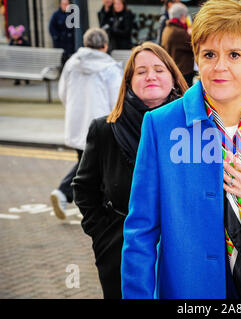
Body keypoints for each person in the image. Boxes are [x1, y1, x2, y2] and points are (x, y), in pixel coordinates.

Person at [121, 0, 241, 299]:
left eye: (235, 55)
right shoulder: (160, 126)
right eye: (209, 54)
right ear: (197, 58)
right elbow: (140, 234)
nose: (220, 66)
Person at [72, 42, 188, 299]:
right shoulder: (105, 129)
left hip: (182, 249)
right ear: (129, 81)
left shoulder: (194, 130)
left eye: (159, 69)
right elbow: (83, 188)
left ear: (173, 78)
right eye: (141, 71)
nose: (151, 76)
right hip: (121, 249)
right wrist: (102, 236)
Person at [50, 28, 123, 221]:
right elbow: (117, 99)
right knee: (91, 168)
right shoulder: (110, 67)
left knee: (87, 166)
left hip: (77, 122)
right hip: (101, 126)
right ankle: (65, 193)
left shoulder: (72, 63)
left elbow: (62, 92)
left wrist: (72, 110)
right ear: (105, 45)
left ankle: (73, 198)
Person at [161, 2, 195, 86]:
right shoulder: (179, 32)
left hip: (175, 70)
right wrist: (191, 33)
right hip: (183, 72)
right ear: (183, 17)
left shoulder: (168, 28)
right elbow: (194, 46)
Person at [49, 0, 75, 67]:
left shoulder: (73, 14)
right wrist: (57, 37)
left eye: (67, 4)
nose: (65, 6)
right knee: (61, 63)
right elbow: (51, 28)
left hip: (71, 44)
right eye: (63, 4)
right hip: (60, 44)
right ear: (60, 5)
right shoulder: (56, 15)